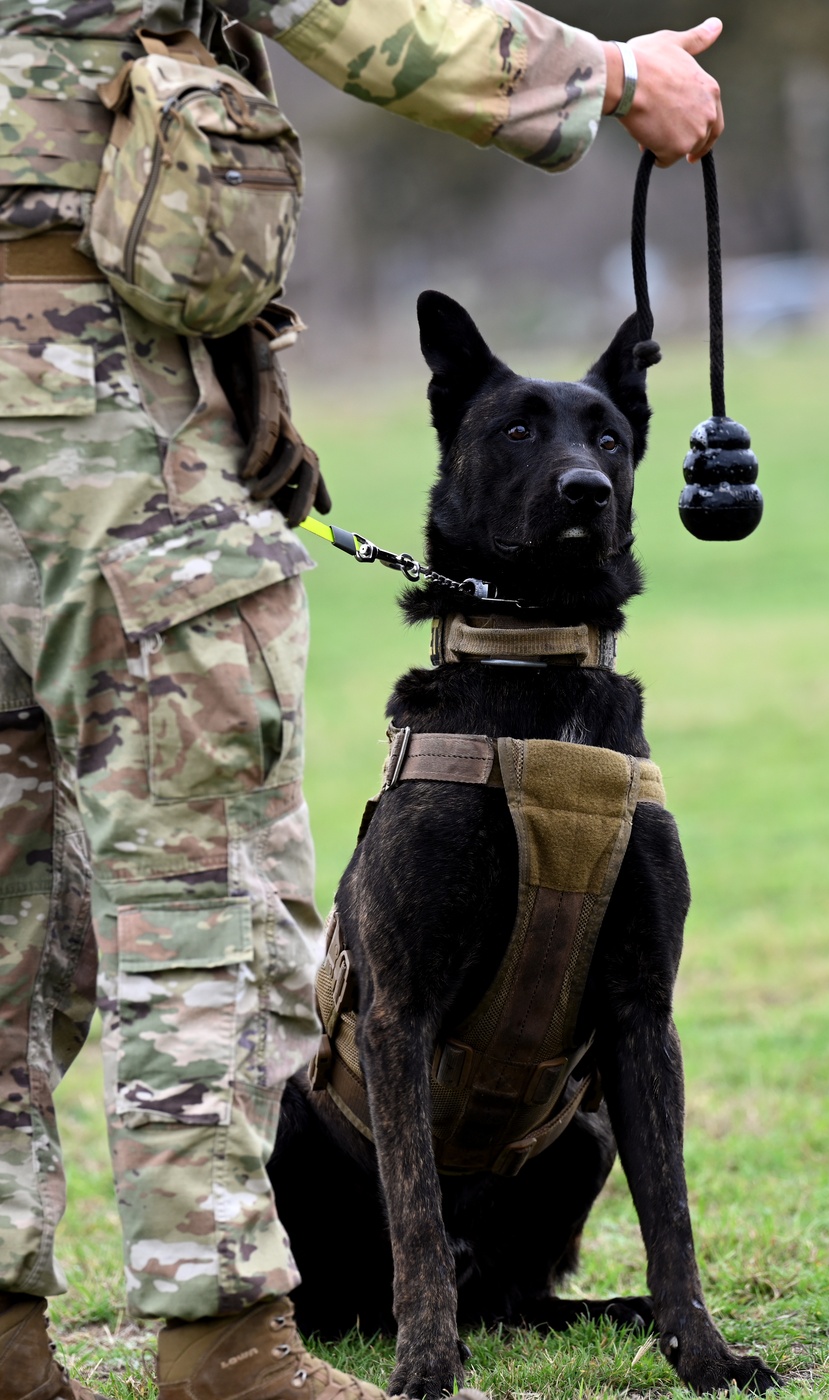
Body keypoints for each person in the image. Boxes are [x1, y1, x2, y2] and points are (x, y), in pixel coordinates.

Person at [0, 3, 723, 1397]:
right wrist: (615, 76)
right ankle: (223, 1340)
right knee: (199, 889)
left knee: (6, 914)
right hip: (93, 407)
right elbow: (373, 14)